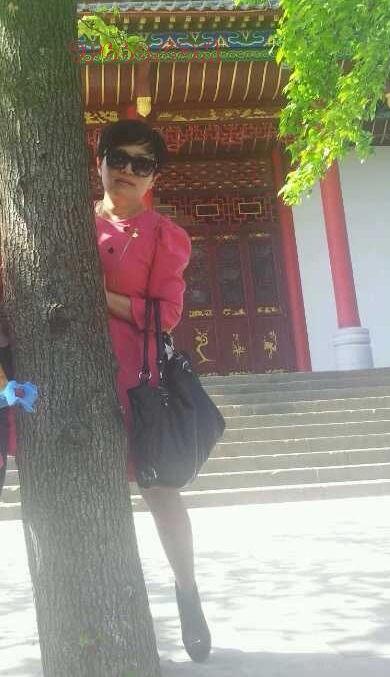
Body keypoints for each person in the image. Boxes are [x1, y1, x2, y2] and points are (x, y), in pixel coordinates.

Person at [94, 119, 211, 663]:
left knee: (160, 494)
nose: (128, 170)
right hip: (73, 380)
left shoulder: (164, 235)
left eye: (141, 164)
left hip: (137, 386)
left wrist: (102, 297)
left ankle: (187, 592)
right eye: (118, 158)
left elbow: (167, 315)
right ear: (99, 161)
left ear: (153, 177)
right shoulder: (69, 224)